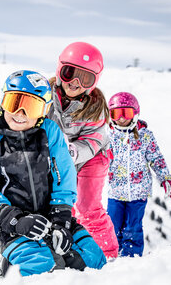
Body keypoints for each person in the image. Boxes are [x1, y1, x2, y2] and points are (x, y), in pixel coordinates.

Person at [0, 70, 106, 277]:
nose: (20, 113)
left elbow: (63, 175)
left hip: (51, 215)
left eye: (31, 107)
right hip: (10, 223)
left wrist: (62, 219)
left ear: (43, 111)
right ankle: (6, 271)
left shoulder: (50, 133)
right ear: (3, 102)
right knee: (40, 267)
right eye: (14, 103)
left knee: (93, 261)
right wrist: (14, 220)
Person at [48, 42, 119, 258]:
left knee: (87, 206)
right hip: (58, 158)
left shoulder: (94, 106)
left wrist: (70, 152)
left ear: (94, 82)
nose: (75, 83)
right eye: (69, 73)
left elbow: (93, 140)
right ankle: (69, 252)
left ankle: (109, 253)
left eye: (85, 78)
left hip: (93, 157)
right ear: (60, 71)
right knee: (58, 206)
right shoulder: (45, 95)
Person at [106, 92, 171, 257]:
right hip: (116, 192)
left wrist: (164, 178)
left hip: (138, 193)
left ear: (135, 113)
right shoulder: (108, 136)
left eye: (126, 113)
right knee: (112, 226)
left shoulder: (145, 136)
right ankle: (111, 256)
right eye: (116, 113)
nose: (121, 118)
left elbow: (156, 158)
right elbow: (99, 158)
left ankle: (131, 257)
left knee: (132, 227)